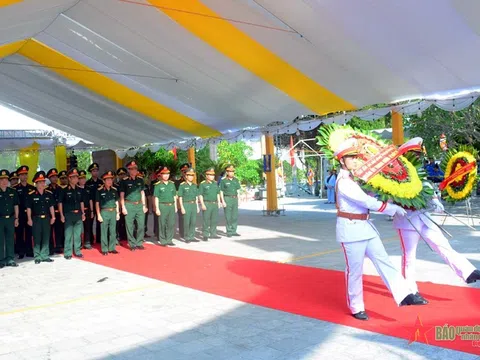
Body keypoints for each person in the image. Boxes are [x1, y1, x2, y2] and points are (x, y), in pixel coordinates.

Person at [334, 138, 427, 321]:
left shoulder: (355, 179)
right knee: (354, 271)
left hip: (366, 228)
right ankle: (356, 306)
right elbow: (366, 201)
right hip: (351, 230)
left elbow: (370, 197)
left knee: (384, 260)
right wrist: (391, 208)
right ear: (341, 161)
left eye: (355, 156)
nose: (354, 160)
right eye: (350, 157)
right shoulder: (344, 182)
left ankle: (404, 294)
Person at [393, 183, 480, 293]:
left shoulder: (418, 177)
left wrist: (435, 201)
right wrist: (392, 208)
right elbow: (385, 199)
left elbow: (426, 187)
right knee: (409, 257)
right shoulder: (391, 180)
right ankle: (409, 290)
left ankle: (468, 272)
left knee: (443, 245)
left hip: (425, 219)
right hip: (406, 221)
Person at [26, 171, 55, 264]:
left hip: (46, 218)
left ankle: (45, 255)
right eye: (40, 182)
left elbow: (51, 206)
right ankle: (37, 256)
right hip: (36, 218)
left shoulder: (48, 194)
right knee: (37, 237)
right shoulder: (31, 195)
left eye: (43, 182)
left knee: (46, 237)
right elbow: (29, 208)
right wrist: (29, 219)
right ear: (36, 183)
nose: (43, 183)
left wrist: (53, 217)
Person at [119, 161, 147, 251]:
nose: (134, 170)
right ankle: (132, 244)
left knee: (141, 225)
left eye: (135, 168)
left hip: (139, 205)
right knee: (129, 226)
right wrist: (123, 207)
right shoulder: (124, 181)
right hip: (129, 205)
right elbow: (122, 195)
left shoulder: (140, 180)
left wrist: (144, 205)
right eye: (132, 169)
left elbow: (142, 193)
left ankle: (139, 242)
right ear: (129, 170)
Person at [58, 168, 85, 260]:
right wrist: (61, 215)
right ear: (69, 178)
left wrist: (83, 213)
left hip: (78, 214)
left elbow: (81, 202)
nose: (76, 179)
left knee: (78, 234)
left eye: (77, 177)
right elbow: (60, 203)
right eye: (73, 177)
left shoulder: (79, 190)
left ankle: (77, 251)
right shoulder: (64, 190)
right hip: (68, 214)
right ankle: (68, 252)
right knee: (68, 234)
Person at [13, 165, 35, 259]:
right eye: (22, 175)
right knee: (19, 233)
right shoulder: (15, 189)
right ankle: (21, 251)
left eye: (25, 174)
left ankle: (29, 250)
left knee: (30, 232)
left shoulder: (32, 188)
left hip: (29, 214)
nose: (24, 176)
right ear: (19, 176)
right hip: (20, 213)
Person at [96, 171, 120, 255]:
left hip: (113, 211)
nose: (110, 181)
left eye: (111, 179)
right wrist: (98, 215)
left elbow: (116, 201)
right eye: (108, 180)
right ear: (104, 181)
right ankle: (104, 249)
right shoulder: (99, 190)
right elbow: (97, 203)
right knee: (104, 231)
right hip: (104, 212)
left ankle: (112, 247)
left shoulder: (114, 190)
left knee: (113, 231)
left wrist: (117, 213)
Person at [153, 166, 177, 246]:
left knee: (171, 223)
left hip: (171, 206)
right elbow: (156, 197)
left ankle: (169, 239)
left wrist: (176, 206)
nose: (166, 175)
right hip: (162, 206)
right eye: (164, 174)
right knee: (162, 223)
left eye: (167, 174)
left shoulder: (172, 184)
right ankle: (163, 240)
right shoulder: (158, 185)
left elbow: (174, 196)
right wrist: (157, 209)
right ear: (161, 175)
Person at [0, 170, 19, 268]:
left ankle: (10, 258)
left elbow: (16, 205)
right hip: (0, 219)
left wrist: (16, 218)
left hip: (10, 218)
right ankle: (1, 260)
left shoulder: (12, 191)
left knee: (10, 239)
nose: (4, 181)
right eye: (2, 179)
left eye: (6, 179)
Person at [198, 167, 221, 241]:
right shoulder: (203, 184)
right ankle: (205, 235)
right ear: (207, 175)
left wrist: (219, 202)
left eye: (213, 175)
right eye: (210, 175)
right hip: (207, 203)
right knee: (206, 220)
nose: (212, 176)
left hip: (214, 204)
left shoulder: (215, 183)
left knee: (214, 219)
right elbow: (200, 195)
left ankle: (213, 233)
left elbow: (217, 193)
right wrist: (202, 204)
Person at [178, 168, 199, 243]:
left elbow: (196, 197)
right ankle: (187, 237)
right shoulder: (182, 185)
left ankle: (192, 236)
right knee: (186, 222)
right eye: (189, 175)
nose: (191, 177)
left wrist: (197, 206)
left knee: (193, 221)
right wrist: (182, 207)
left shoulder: (194, 185)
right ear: (186, 176)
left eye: (192, 175)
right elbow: (180, 197)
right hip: (186, 204)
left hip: (193, 204)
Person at [220, 164, 241, 237]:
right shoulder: (223, 181)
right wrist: (223, 201)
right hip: (227, 198)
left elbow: (238, 190)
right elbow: (221, 191)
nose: (232, 173)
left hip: (235, 198)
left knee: (234, 216)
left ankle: (234, 230)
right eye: (230, 171)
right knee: (228, 216)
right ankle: (229, 231)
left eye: (233, 171)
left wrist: (239, 200)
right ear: (227, 172)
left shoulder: (236, 180)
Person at [47, 168, 64, 254]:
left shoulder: (60, 188)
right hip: (50, 214)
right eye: (52, 177)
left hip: (58, 212)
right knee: (50, 231)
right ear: (49, 178)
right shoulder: (47, 189)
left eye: (56, 177)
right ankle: (50, 247)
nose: (55, 178)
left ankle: (58, 246)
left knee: (59, 230)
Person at [86, 163, 103, 245]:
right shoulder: (88, 183)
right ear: (91, 172)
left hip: (100, 205)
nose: (95, 172)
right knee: (90, 223)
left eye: (96, 171)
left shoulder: (101, 182)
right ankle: (90, 240)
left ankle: (99, 239)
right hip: (91, 205)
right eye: (93, 171)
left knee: (100, 222)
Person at [78, 170, 94, 249]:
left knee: (88, 226)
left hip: (87, 210)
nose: (83, 180)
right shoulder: (76, 189)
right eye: (81, 178)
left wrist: (91, 211)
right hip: (79, 211)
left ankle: (87, 242)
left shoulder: (88, 188)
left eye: (84, 178)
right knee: (79, 228)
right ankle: (79, 243)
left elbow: (91, 200)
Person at [175, 163, 189, 239]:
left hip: (190, 203)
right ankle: (183, 233)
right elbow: (176, 194)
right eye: (183, 171)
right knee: (182, 219)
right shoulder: (177, 182)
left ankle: (189, 233)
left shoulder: (192, 182)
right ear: (181, 172)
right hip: (181, 204)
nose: (185, 173)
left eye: (186, 171)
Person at [115, 167, 128, 243]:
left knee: (127, 221)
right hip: (120, 205)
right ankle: (119, 235)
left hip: (127, 204)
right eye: (120, 174)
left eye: (123, 174)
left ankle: (126, 235)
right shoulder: (116, 185)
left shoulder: (128, 182)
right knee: (119, 222)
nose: (122, 176)